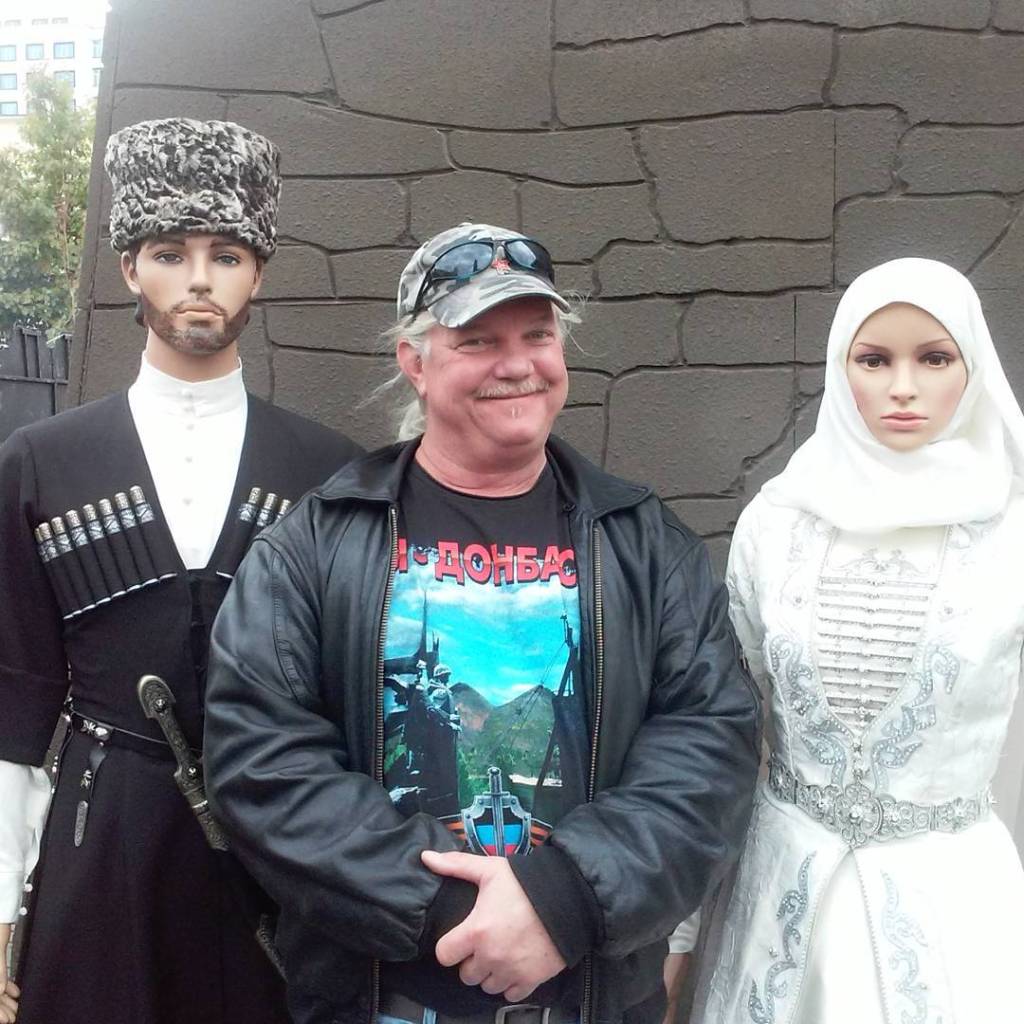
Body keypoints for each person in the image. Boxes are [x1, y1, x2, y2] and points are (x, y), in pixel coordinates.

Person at [203, 222, 762, 1024]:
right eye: (477, 339)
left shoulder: (645, 544)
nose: (517, 364)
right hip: (377, 998)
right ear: (415, 362)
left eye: (538, 335)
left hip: (591, 997)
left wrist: (565, 899)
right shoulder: (317, 544)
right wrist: (450, 911)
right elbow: (263, 760)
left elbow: (711, 745)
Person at [0, 117, 361, 1024]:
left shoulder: (331, 472)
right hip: (100, 844)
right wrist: (4, 910)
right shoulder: (40, 466)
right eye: (170, 251)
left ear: (259, 272)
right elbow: (14, 719)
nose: (199, 278)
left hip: (283, 847)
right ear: (129, 267)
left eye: (228, 253)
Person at [690, 257, 1024, 1023]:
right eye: (874, 360)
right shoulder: (777, 522)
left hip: (953, 909)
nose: (902, 385)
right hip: (778, 896)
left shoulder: (1012, 531)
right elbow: (727, 725)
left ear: (971, 370)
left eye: (934, 358)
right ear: (841, 368)